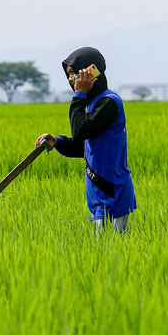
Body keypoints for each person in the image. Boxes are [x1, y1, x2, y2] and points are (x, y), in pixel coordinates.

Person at [35, 47, 136, 233]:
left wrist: (79, 95)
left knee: (115, 253)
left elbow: (80, 131)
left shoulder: (109, 102)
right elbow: (86, 146)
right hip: (98, 194)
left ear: (91, 70)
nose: (71, 79)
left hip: (113, 191)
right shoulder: (93, 105)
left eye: (75, 73)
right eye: (69, 75)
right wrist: (58, 142)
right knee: (101, 254)